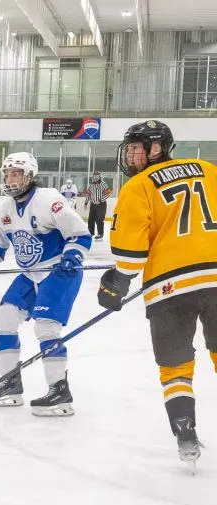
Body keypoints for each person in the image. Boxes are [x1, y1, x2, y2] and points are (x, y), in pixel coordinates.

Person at [98, 120, 217, 467]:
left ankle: (184, 430)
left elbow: (130, 255)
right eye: (131, 147)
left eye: (138, 147)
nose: (132, 154)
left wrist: (115, 282)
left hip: (170, 288)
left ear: (157, 149)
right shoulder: (209, 171)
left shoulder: (139, 187)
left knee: (174, 368)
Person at [0, 153, 91, 416]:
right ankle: (10, 384)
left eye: (17, 174)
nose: (11, 179)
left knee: (46, 327)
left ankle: (59, 392)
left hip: (59, 271)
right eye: (8, 174)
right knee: (4, 319)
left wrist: (72, 256)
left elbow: (80, 235)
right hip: (31, 274)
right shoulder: (4, 210)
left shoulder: (50, 201)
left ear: (30, 176)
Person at [84, 171, 111, 241]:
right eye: (94, 176)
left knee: (99, 219)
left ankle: (100, 234)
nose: (95, 178)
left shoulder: (103, 184)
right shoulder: (91, 185)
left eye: (97, 176)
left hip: (101, 205)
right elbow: (88, 194)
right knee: (90, 220)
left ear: (99, 177)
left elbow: (108, 194)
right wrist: (86, 203)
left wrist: (101, 200)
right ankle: (90, 233)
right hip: (93, 205)